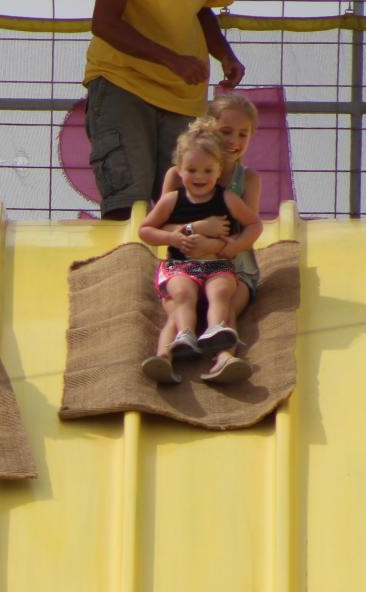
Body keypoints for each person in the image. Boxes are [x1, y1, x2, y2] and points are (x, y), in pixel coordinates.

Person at [84, 0, 244, 220]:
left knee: (188, 206)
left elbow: (199, 10)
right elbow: (105, 23)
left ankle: (175, 254)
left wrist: (225, 54)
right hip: (123, 81)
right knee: (128, 204)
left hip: (182, 95)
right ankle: (128, 255)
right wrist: (172, 60)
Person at [138, 120, 263, 384]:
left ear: (219, 171)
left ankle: (219, 339)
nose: (199, 177)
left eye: (207, 170)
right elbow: (146, 229)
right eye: (192, 170)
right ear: (179, 170)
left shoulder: (227, 198)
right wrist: (174, 236)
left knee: (221, 293)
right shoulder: (172, 199)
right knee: (182, 296)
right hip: (181, 268)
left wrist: (231, 246)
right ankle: (170, 350)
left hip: (217, 266)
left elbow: (254, 223)